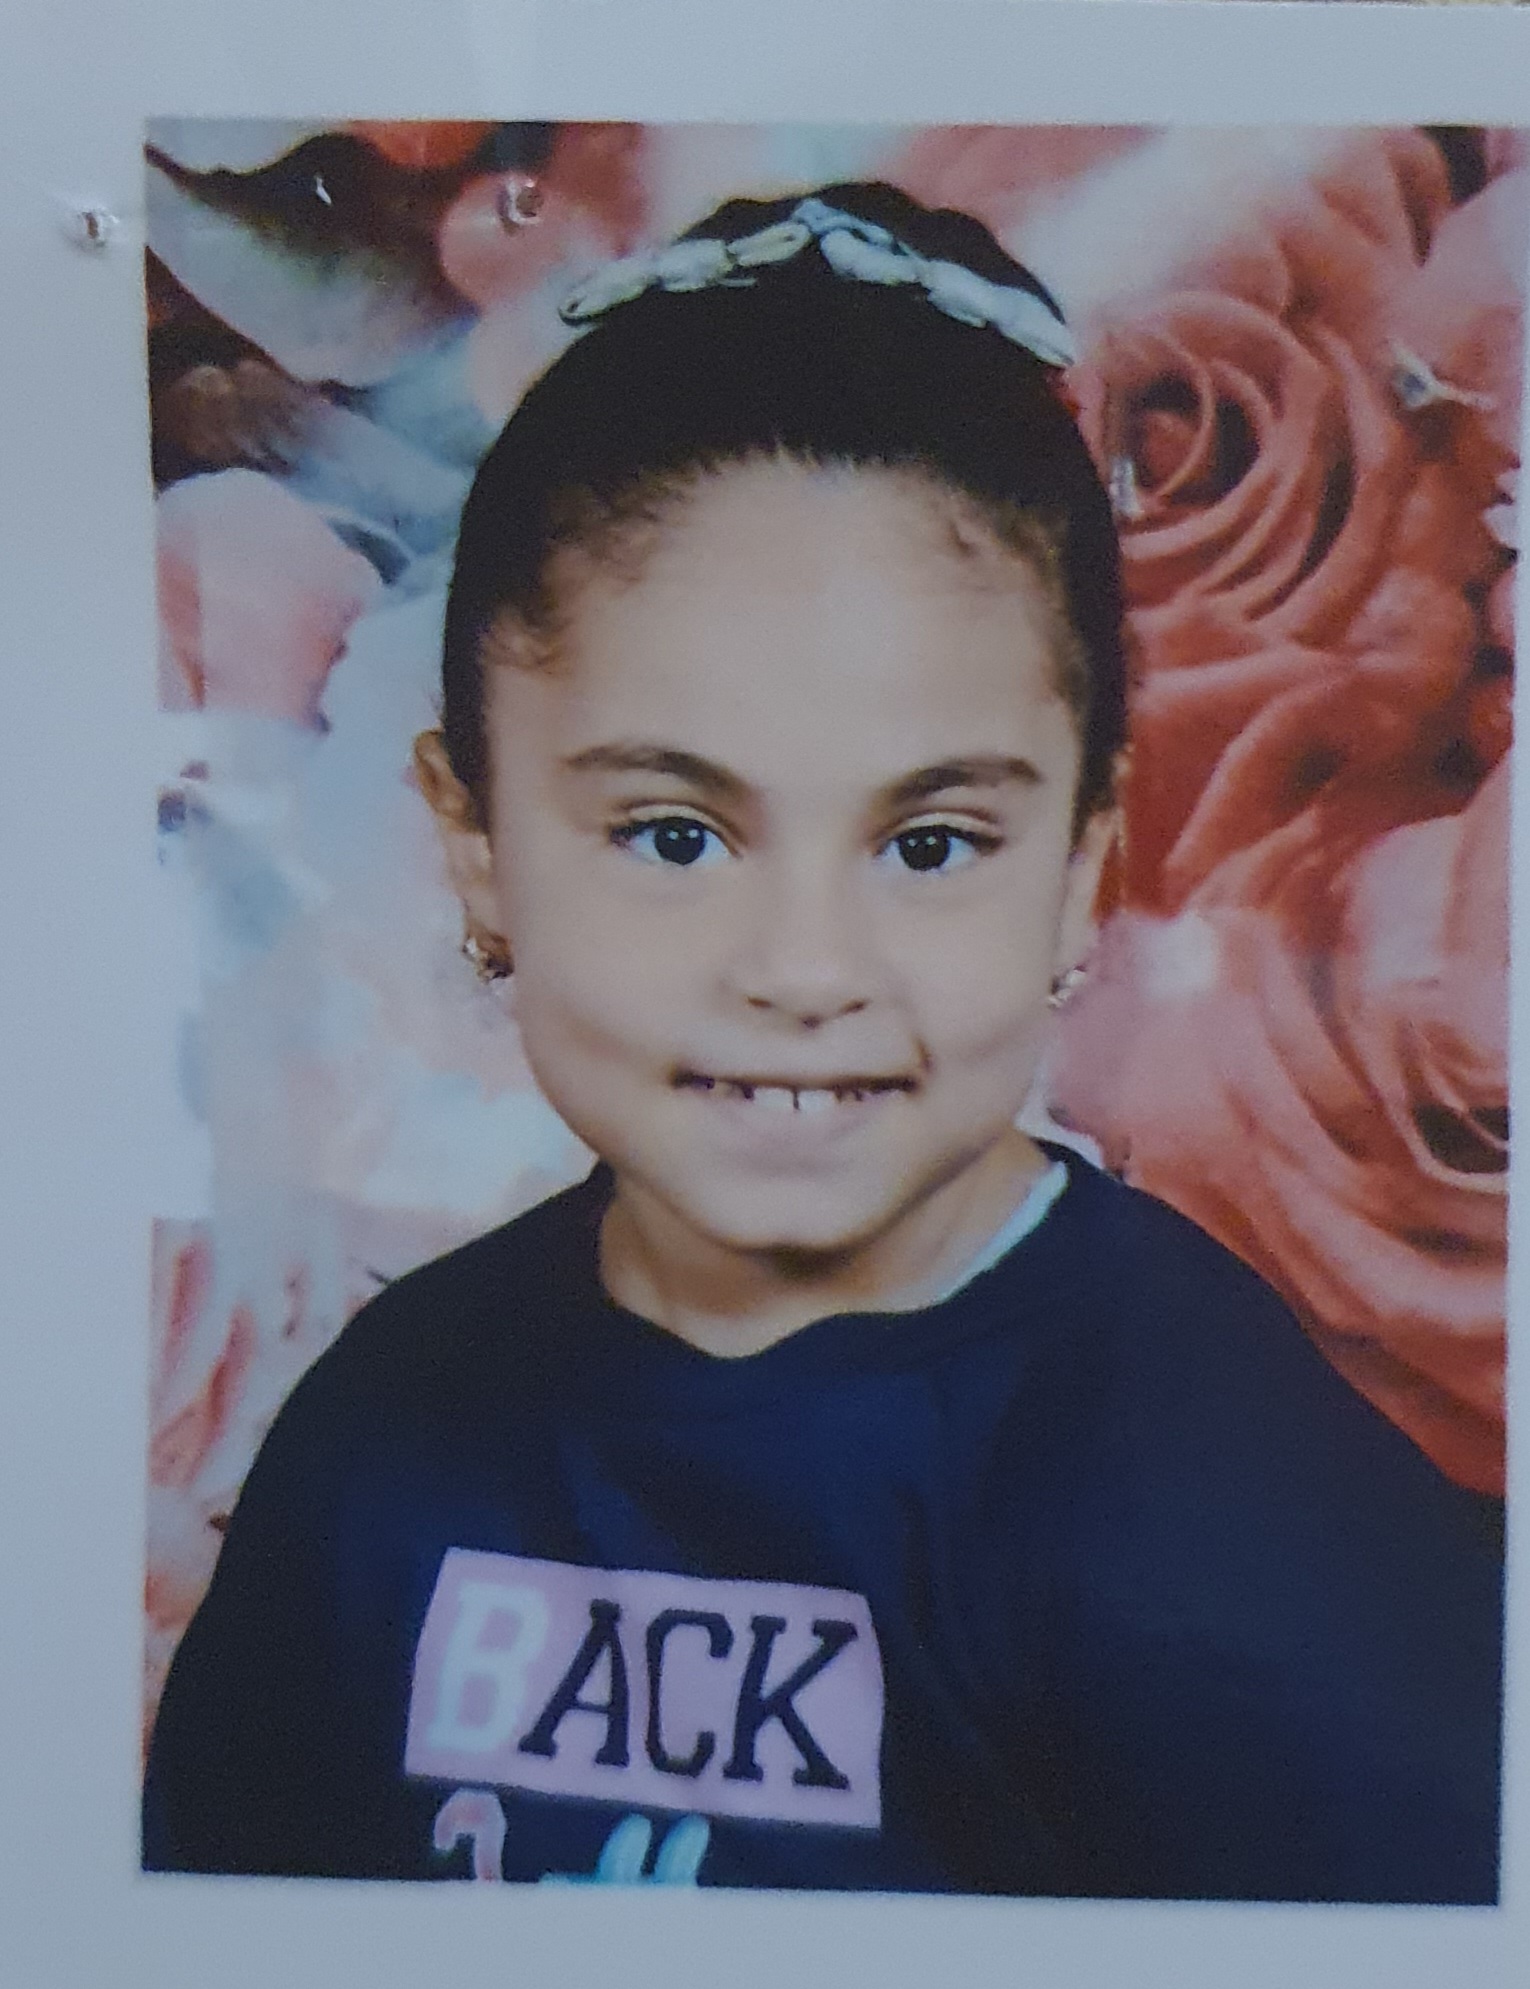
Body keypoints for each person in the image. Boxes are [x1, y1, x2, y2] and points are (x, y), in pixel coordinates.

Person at [142, 183, 1502, 1900]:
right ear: (474, 841)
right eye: (673, 834)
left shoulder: (1233, 1508)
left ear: (1079, 872)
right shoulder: (386, 1430)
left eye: (928, 844)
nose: (803, 967)